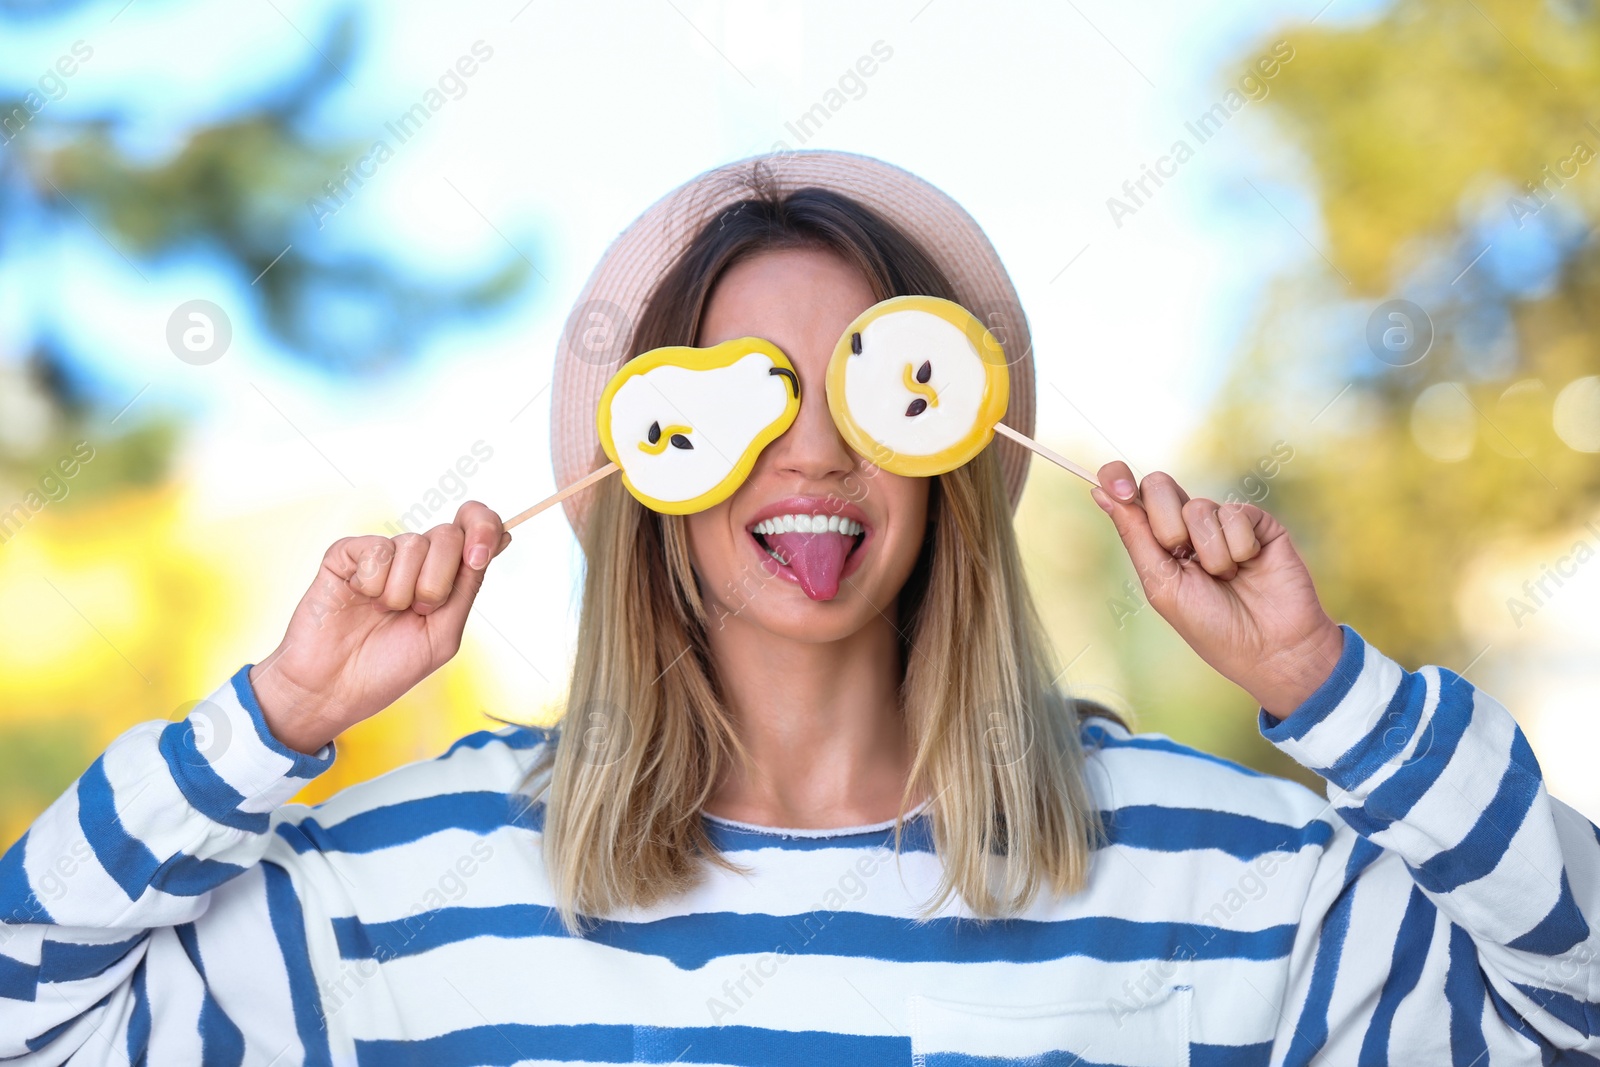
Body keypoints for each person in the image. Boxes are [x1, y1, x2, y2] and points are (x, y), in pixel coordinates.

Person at [2, 152, 1595, 1066]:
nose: (816, 447)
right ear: (649, 474)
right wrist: (275, 718)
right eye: (743, 400)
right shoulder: (408, 887)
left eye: (873, 390)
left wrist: (1330, 688)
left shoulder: (1217, 871)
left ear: (956, 453)